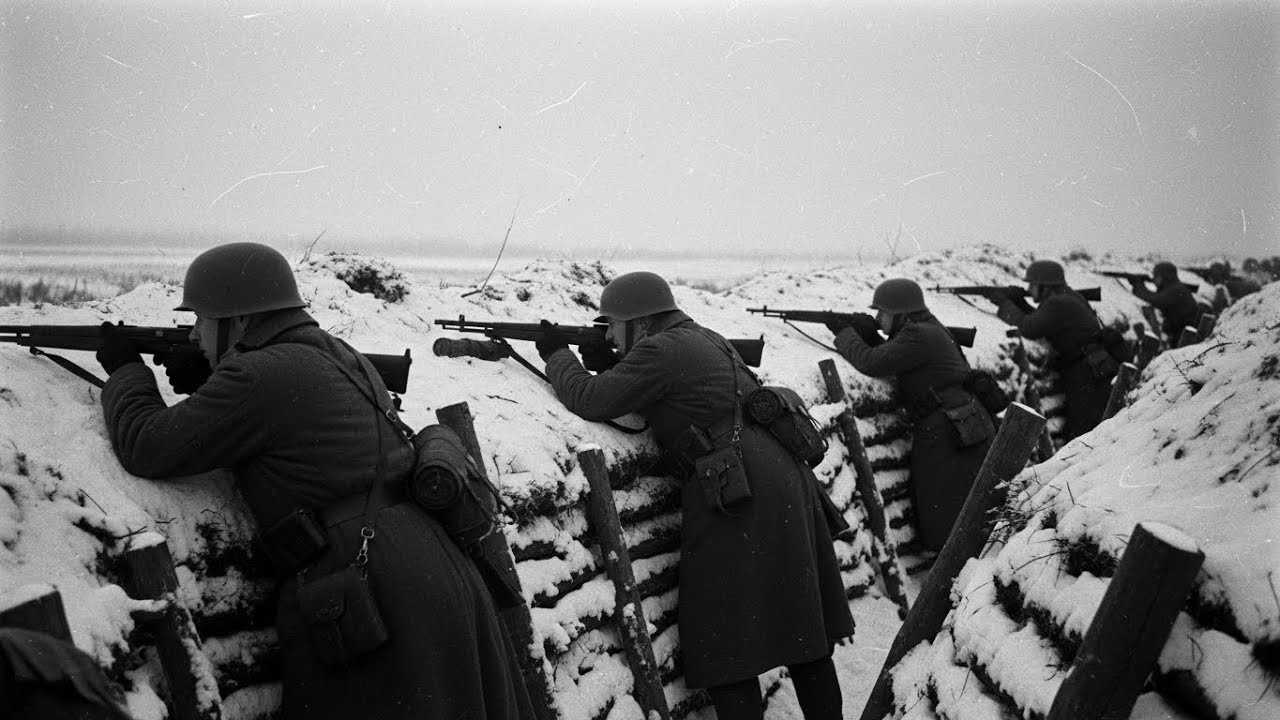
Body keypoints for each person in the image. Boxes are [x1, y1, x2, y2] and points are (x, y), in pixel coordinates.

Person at [94, 242, 531, 720]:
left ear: (239, 320)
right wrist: (212, 379)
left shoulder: (259, 372)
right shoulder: (331, 351)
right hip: (420, 561)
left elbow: (146, 445)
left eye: (202, 318)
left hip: (373, 580)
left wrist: (127, 371)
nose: (195, 333)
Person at [537, 271, 854, 720]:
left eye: (612, 325)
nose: (607, 333)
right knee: (797, 619)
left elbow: (589, 399)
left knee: (720, 628)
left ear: (640, 323)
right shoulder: (699, 337)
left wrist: (557, 356)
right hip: (777, 474)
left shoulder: (659, 349)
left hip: (740, 487)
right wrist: (612, 363)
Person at [826, 278, 996, 552]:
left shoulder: (918, 334)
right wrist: (871, 335)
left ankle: (956, 562)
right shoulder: (924, 328)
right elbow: (892, 353)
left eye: (882, 312)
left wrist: (845, 333)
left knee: (943, 498)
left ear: (900, 312)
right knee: (951, 497)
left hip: (949, 425)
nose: (878, 317)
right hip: (956, 419)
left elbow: (871, 362)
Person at [989, 259, 1118, 441]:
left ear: (1045, 286)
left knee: (1088, 433)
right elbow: (1041, 319)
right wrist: (1017, 302)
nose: (1029, 289)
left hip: (1087, 373)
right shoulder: (1066, 297)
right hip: (1094, 367)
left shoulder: (1058, 303)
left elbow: (1029, 327)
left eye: (1032, 284)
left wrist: (1005, 304)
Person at [1126, 261, 1201, 346]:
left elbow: (1154, 299)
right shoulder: (1176, 287)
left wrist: (1138, 284)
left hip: (1186, 337)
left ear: (1164, 277)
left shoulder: (1175, 290)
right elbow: (1156, 296)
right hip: (1184, 334)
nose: (1154, 279)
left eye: (1156, 276)